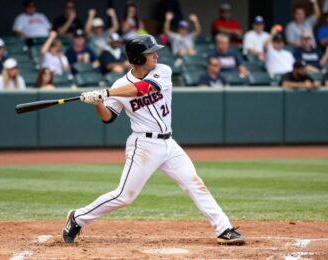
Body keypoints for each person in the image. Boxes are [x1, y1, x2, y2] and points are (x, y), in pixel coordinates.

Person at [62, 34, 245, 246]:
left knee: (195, 184)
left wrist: (105, 92)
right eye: (151, 53)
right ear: (139, 58)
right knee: (124, 196)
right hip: (144, 146)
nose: (156, 55)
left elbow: (144, 88)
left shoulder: (162, 71)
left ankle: (224, 228)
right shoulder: (121, 84)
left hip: (169, 143)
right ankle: (77, 218)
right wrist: (97, 103)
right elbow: (109, 118)